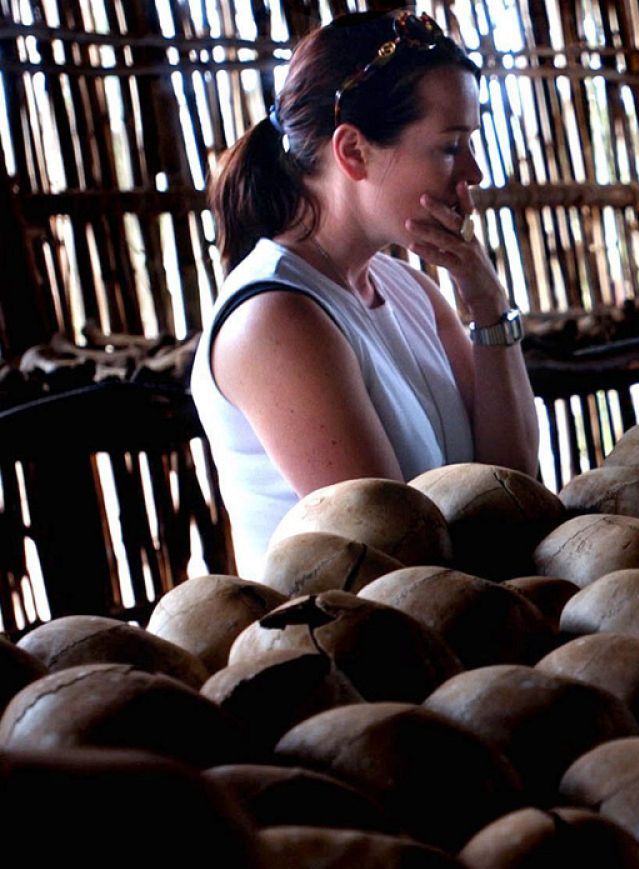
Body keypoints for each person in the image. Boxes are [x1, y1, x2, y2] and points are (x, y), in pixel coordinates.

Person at [195, 9, 540, 579]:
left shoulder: (409, 291)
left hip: (455, 623)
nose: (473, 172)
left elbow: (512, 486)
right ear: (352, 151)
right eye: (451, 147)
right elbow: (397, 561)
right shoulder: (275, 319)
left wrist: (489, 306)